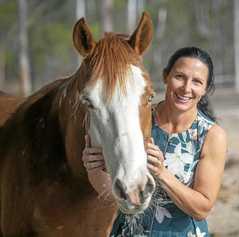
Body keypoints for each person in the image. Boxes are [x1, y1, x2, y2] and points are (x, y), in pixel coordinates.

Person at [82, 47, 227, 236]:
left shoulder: (211, 135)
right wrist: (93, 170)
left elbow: (202, 209)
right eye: (180, 77)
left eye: (197, 82)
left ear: (205, 89)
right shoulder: (135, 121)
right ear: (166, 76)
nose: (186, 88)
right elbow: (113, 194)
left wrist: (162, 174)